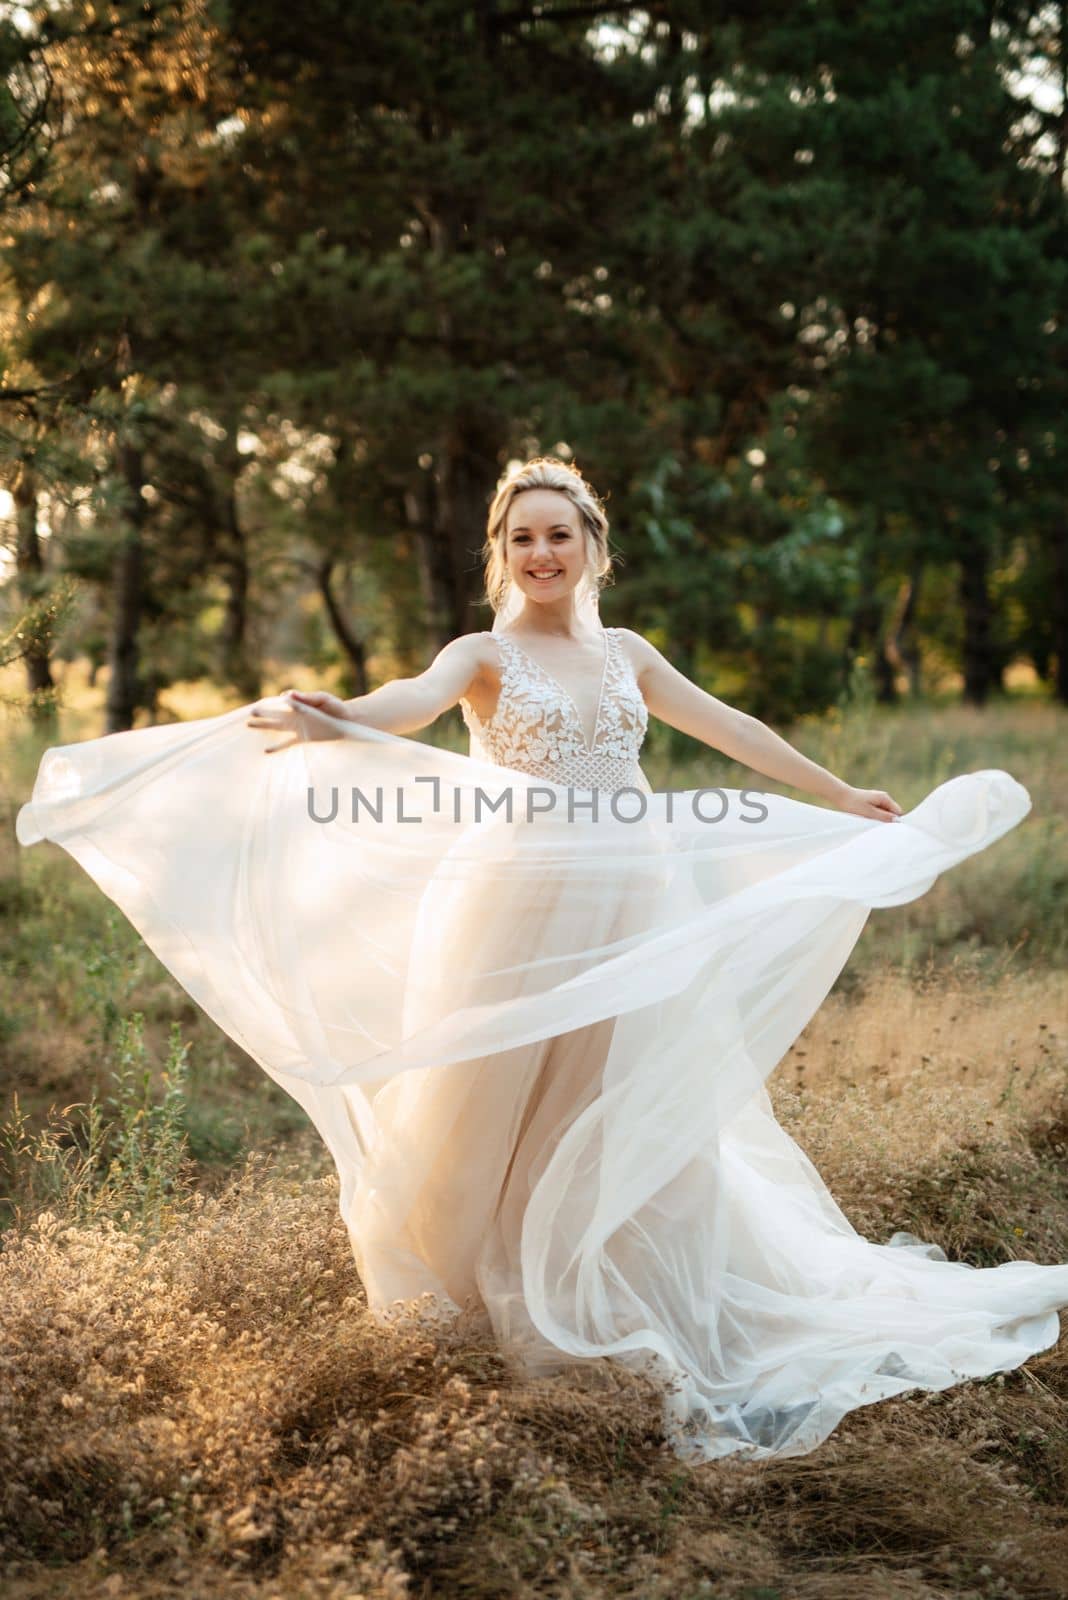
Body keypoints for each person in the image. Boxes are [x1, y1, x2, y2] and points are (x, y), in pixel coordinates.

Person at [17, 456, 1067, 1463]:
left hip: (627, 905)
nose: (540, 552)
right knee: (487, 1103)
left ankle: (618, 1289)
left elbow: (730, 724)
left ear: (592, 544)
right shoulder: (482, 654)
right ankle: (474, 1306)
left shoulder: (632, 656)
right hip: (509, 909)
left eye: (558, 533)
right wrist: (336, 717)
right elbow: (407, 703)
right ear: (500, 551)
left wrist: (837, 794)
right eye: (522, 537)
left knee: (609, 1095)